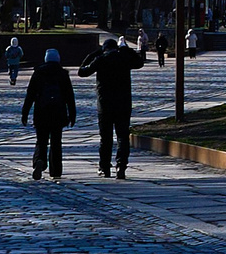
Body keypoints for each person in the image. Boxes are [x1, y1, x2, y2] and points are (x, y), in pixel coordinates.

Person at [77, 35, 147, 176]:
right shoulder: (124, 59)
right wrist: (126, 49)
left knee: (106, 137)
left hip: (105, 104)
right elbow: (140, 62)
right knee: (122, 136)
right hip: (123, 103)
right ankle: (121, 166)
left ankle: (104, 167)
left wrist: (94, 54)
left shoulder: (101, 59)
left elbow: (82, 72)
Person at [21, 47, 77, 180]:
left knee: (41, 140)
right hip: (58, 113)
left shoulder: (38, 73)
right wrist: (72, 114)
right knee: (56, 142)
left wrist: (25, 113)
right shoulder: (63, 74)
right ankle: (56, 170)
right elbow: (69, 96)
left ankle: (39, 161)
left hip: (41, 112)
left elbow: (30, 95)